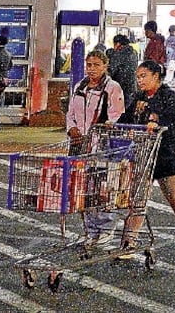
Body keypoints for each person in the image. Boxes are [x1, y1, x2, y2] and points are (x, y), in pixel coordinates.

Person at [118, 60, 175, 251]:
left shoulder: (169, 97)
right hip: (143, 153)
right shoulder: (139, 97)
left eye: (143, 76)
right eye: (138, 77)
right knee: (138, 198)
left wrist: (158, 122)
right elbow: (127, 117)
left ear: (156, 76)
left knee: (173, 194)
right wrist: (116, 124)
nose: (140, 80)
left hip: (166, 154)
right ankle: (129, 241)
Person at [66, 49, 126, 244]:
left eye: (96, 65)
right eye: (89, 65)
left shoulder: (112, 87)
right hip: (79, 145)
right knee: (82, 188)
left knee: (102, 188)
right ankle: (90, 230)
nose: (91, 69)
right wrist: (72, 128)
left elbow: (116, 116)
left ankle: (106, 228)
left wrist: (100, 130)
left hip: (101, 146)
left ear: (105, 66)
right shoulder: (79, 86)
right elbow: (70, 113)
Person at [107, 33, 139, 109]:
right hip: (132, 87)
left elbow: (110, 70)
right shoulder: (133, 52)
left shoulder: (119, 54)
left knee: (118, 113)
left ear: (118, 44)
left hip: (121, 88)